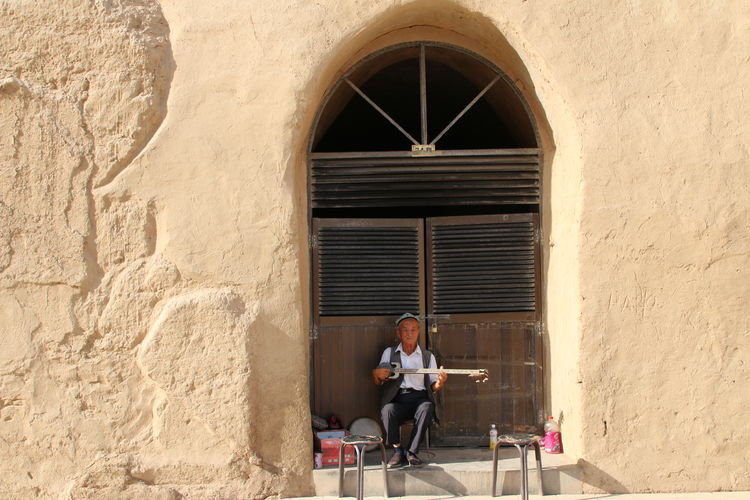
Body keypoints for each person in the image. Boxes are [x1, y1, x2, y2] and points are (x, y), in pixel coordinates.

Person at [371, 313, 448, 468]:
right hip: (397, 399)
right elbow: (378, 380)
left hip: (419, 398)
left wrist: (440, 382)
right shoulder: (389, 353)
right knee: (387, 410)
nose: (409, 333)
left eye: (413, 330)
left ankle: (411, 452)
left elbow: (433, 386)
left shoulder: (427, 356)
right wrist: (377, 374)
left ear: (418, 332)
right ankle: (397, 450)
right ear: (398, 333)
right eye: (405, 330)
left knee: (427, 407)